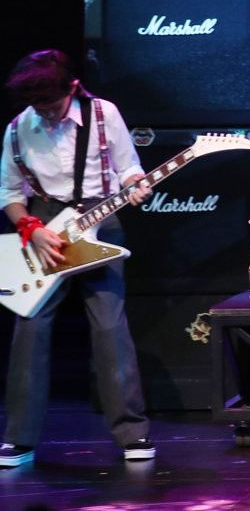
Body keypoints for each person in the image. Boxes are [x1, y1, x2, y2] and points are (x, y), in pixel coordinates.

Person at [0, 49, 155, 467]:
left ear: (72, 87)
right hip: (44, 227)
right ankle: (19, 439)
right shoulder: (18, 128)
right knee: (30, 327)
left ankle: (133, 434)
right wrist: (31, 228)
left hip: (100, 217)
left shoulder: (104, 114)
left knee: (110, 327)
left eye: (52, 105)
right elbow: (10, 194)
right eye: (38, 107)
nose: (46, 115)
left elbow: (128, 168)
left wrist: (136, 184)